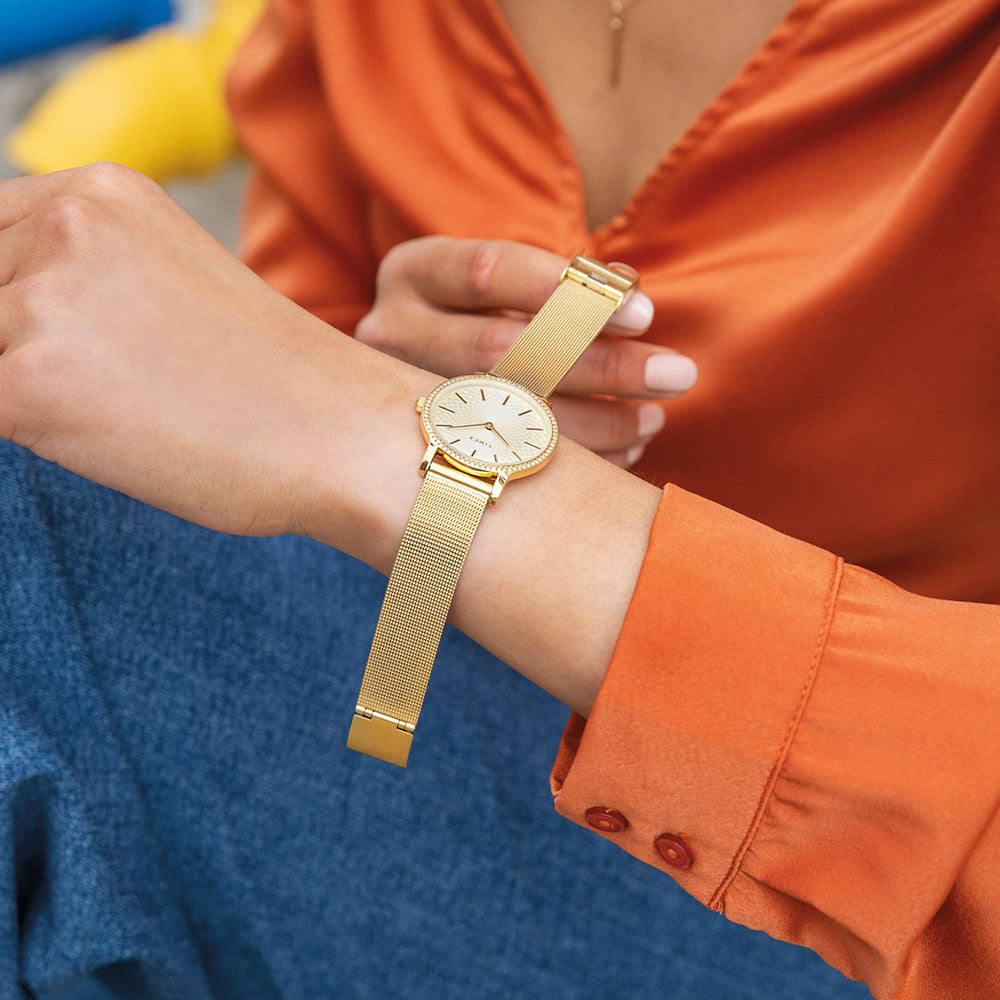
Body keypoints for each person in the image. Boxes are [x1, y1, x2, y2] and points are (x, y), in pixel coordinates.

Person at [0, 4, 996, 1000]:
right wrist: (369, 365)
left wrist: (398, 451)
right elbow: (275, 384)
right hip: (408, 707)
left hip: (878, 896)